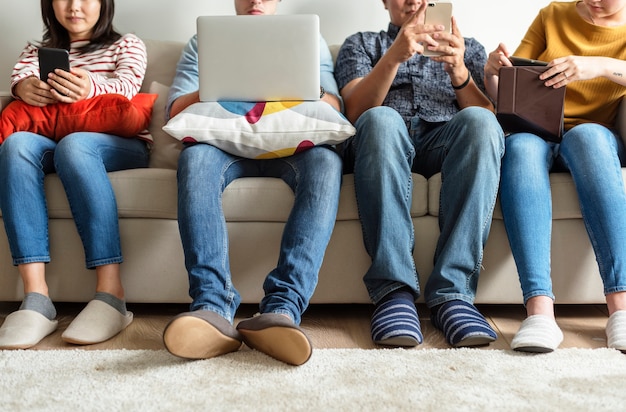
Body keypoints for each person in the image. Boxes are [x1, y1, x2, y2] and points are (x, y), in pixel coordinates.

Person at [161, 0, 343, 366]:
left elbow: (335, 107)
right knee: (193, 158)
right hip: (223, 146)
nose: (256, 1)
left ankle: (283, 309)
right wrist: (219, 83)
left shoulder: (309, 39)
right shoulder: (203, 41)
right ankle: (211, 307)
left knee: (326, 161)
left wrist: (296, 82)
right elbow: (175, 110)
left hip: (294, 146)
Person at [334, 0, 505, 349]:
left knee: (482, 122)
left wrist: (459, 72)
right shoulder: (362, 44)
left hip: (445, 141)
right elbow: (354, 110)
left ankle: (453, 294)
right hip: (384, 142)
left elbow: (488, 120)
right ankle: (394, 293)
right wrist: (394, 57)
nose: (413, 2)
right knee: (380, 120)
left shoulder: (468, 47)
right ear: (384, 2)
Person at [0, 0, 148, 349]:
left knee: (75, 145)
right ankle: (36, 298)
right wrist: (24, 90)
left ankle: (111, 294)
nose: (74, 6)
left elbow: (127, 87)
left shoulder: (126, 44)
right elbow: (19, 79)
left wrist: (89, 88)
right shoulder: (35, 50)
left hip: (115, 144)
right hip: (52, 138)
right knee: (17, 144)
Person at [484, 0, 626, 353]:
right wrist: (491, 74)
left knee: (588, 137)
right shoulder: (552, 15)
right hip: (537, 131)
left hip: (594, 133)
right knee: (520, 147)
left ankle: (621, 308)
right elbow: (509, 87)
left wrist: (599, 66)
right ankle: (539, 311)